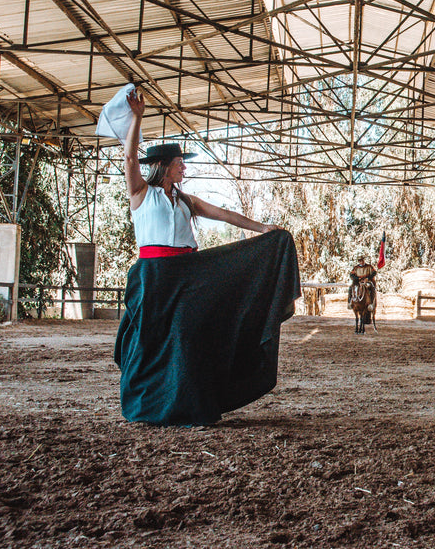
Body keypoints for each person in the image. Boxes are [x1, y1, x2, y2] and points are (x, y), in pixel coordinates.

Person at [113, 88, 301, 426]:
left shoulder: (188, 201)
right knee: (150, 340)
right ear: (163, 167)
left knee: (189, 335)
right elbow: (129, 161)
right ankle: (147, 403)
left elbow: (226, 215)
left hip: (189, 274)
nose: (183, 167)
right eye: (178, 163)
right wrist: (137, 118)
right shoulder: (141, 194)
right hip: (155, 277)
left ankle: (191, 402)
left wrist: (263, 229)